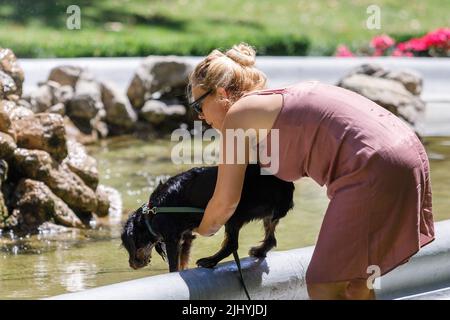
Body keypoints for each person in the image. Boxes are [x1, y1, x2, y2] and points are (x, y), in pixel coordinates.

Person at [188, 42, 434, 300]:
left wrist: (197, 229)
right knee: (357, 285)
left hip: (374, 166)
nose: (201, 118)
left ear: (221, 93)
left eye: (198, 106)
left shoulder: (239, 116)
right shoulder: (269, 104)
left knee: (323, 283)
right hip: (408, 153)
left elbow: (226, 202)